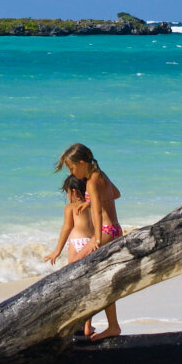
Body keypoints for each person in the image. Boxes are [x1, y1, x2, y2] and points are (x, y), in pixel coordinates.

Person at [55, 143, 123, 339]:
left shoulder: (91, 183)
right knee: (103, 279)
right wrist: (88, 201)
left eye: (72, 168)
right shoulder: (101, 175)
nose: (72, 173)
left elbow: (97, 212)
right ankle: (111, 326)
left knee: (74, 266)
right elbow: (115, 194)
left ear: (82, 163)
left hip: (105, 232)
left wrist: (97, 239)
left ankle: (80, 320)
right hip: (116, 229)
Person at [45, 175, 96, 266]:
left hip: (77, 242)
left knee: (72, 269)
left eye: (67, 192)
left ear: (74, 192)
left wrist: (57, 251)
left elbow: (67, 228)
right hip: (93, 242)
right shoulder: (93, 204)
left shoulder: (70, 207)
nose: (68, 196)